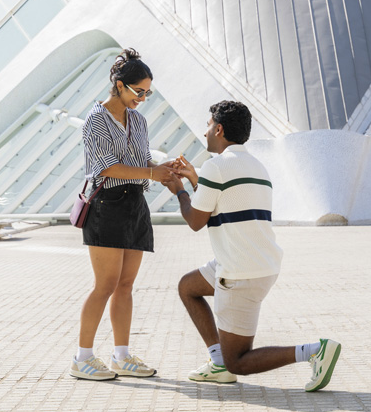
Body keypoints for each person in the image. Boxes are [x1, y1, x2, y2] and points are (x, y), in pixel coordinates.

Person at [163, 100, 342, 392]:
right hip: (257, 263)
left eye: (208, 125)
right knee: (189, 287)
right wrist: (197, 180)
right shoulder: (257, 166)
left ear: (219, 129)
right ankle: (217, 361)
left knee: (239, 362)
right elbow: (219, 205)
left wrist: (180, 190)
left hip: (239, 272)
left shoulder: (216, 166)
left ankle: (313, 351)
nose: (206, 131)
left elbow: (196, 220)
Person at [70, 49, 181, 381]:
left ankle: (121, 356)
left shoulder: (139, 120)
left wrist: (162, 171)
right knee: (104, 285)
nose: (143, 99)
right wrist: (150, 172)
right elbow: (107, 167)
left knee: (126, 285)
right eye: (138, 92)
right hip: (106, 204)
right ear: (119, 85)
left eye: (148, 93)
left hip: (134, 204)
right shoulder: (96, 119)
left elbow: (143, 162)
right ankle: (82, 358)